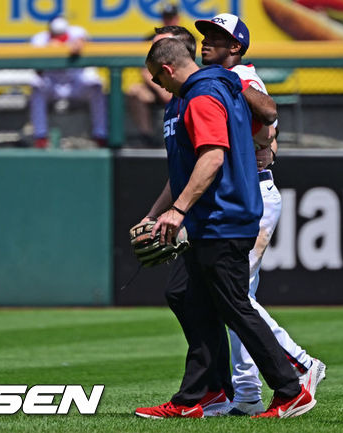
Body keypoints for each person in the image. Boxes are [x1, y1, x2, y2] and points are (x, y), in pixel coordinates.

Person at [134, 37, 315, 419]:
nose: (155, 84)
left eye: (155, 77)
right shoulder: (192, 96)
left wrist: (178, 210)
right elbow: (184, 168)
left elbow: (213, 157)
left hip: (224, 216)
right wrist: (156, 212)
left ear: (167, 69)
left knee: (233, 305)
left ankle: (291, 386)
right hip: (212, 217)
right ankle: (202, 396)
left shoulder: (203, 96)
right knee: (191, 298)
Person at [194, 13, 326, 416]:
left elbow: (267, 112)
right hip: (244, 193)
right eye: (205, 36)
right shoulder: (215, 81)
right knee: (237, 297)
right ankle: (248, 391)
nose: (207, 43)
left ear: (236, 46)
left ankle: (300, 363)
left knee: (235, 297)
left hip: (256, 192)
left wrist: (232, 79)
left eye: (217, 37)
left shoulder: (243, 74)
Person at [30, 16, 107, 148]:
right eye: (57, 35)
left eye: (62, 34)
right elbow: (38, 72)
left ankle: (100, 135)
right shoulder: (39, 40)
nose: (60, 37)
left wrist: (79, 44)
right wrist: (49, 51)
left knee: (96, 87)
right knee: (37, 89)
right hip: (52, 84)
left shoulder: (76, 33)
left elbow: (83, 40)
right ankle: (40, 137)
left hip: (75, 83)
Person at [127, 5, 181, 146]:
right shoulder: (151, 38)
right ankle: (147, 138)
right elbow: (144, 70)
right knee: (135, 91)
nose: (169, 21)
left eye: (172, 17)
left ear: (177, 18)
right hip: (157, 87)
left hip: (180, 87)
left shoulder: (188, 37)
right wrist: (161, 89)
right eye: (166, 18)